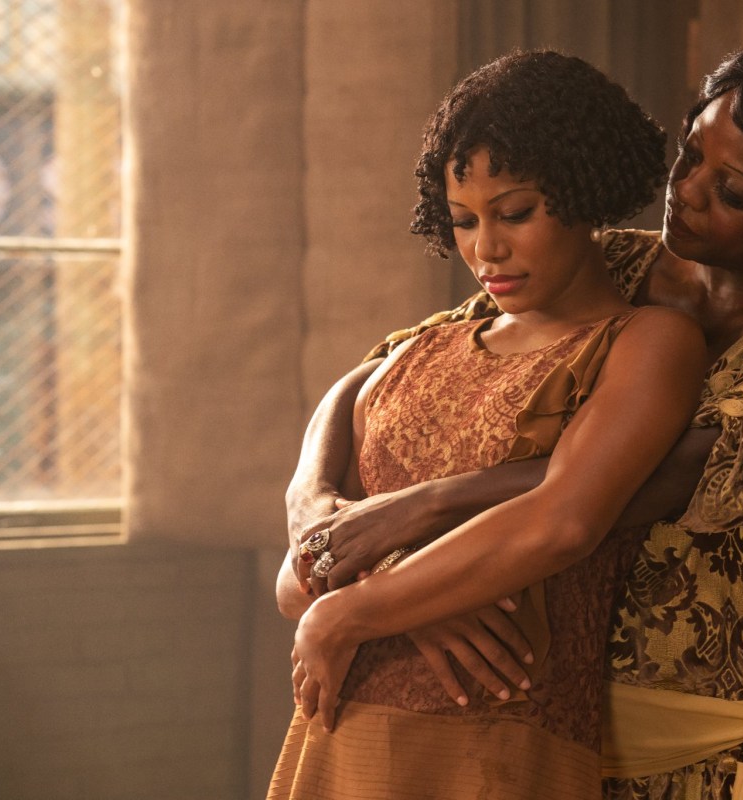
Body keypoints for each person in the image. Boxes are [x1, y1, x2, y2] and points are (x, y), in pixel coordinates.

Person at [284, 36, 743, 800]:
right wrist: (315, 506)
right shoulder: (614, 261)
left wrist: (419, 510)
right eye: (690, 156)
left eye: (732, 188)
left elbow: (641, 485)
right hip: (560, 723)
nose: (686, 190)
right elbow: (391, 376)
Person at [267, 51, 706, 800]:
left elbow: (564, 524)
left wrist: (352, 612)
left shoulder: (645, 344)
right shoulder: (418, 353)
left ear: (584, 189)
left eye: (515, 213)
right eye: (464, 220)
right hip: (340, 743)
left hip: (499, 752)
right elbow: (299, 573)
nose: (485, 249)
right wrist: (389, 600)